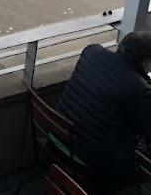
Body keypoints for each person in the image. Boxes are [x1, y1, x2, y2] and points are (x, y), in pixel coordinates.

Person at [57, 30, 151, 194]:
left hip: (59, 136)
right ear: (144, 62)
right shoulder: (140, 90)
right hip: (91, 161)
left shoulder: (92, 52)